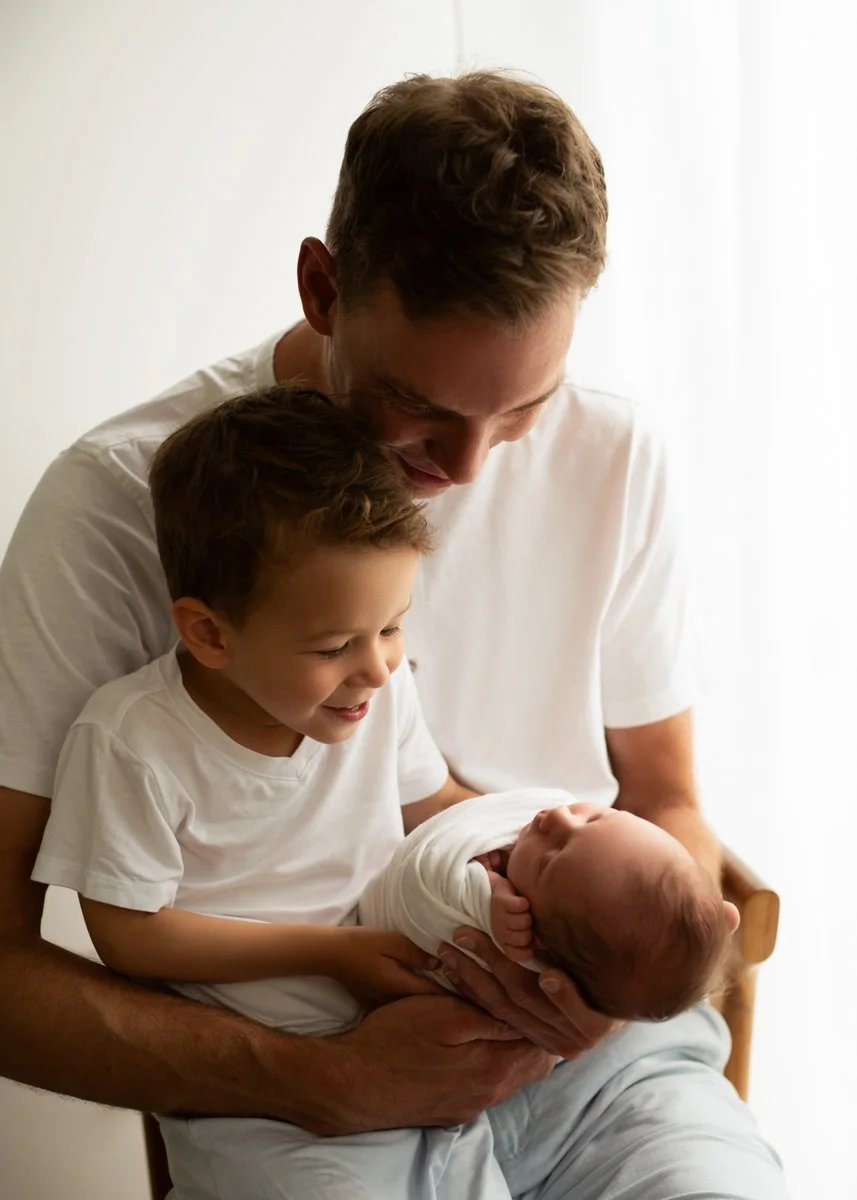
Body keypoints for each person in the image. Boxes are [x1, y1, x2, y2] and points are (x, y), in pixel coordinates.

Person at [0, 71, 787, 1199]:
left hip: (595, 1066)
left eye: (521, 409)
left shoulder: (618, 454)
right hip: (306, 1094)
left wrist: (602, 985)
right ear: (324, 286)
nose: (465, 470)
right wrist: (317, 1077)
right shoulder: (119, 508)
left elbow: (663, 801)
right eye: (421, 404)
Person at [360, 790, 740, 1022]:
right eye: (599, 816)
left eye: (549, 860)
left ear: (535, 941)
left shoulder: (519, 933)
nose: (556, 816)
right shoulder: (580, 854)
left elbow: (426, 879)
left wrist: (483, 894)